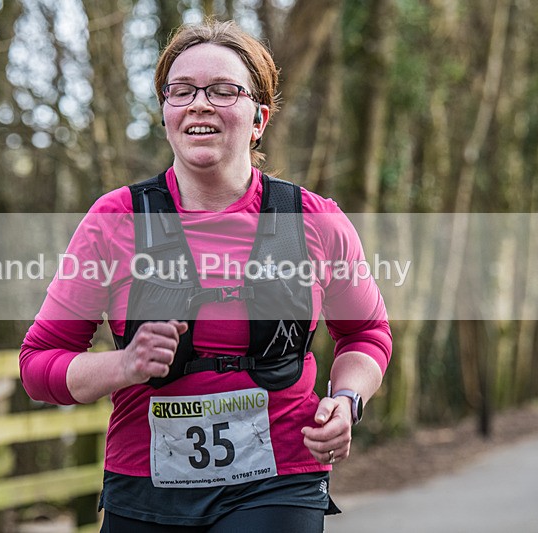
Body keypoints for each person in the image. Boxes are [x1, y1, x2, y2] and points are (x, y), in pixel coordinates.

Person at [20, 19, 391, 533]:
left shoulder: (314, 220)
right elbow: (39, 365)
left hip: (281, 477)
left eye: (223, 90)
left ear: (258, 119)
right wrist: (124, 364)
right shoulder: (115, 220)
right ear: (165, 113)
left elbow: (366, 333)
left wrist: (347, 401)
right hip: (145, 481)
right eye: (182, 91)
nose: (199, 104)